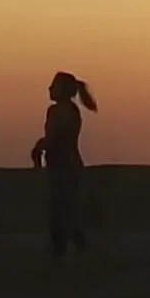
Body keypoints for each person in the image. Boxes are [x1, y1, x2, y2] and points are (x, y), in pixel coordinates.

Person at [31, 71, 97, 256]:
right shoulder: (70, 110)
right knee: (66, 211)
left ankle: (64, 252)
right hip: (68, 164)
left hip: (63, 165)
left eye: (54, 86)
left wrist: (39, 148)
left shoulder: (60, 111)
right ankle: (77, 250)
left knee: (60, 211)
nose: (49, 89)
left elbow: (56, 137)